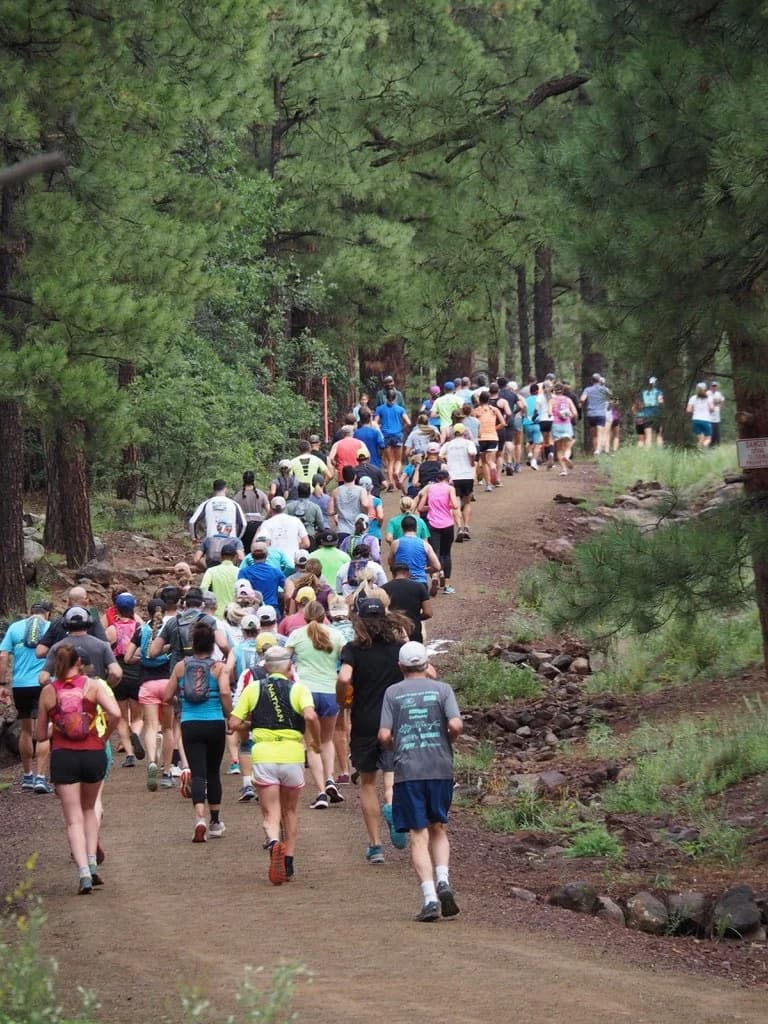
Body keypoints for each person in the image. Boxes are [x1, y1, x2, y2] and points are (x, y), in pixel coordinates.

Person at [378, 640, 463, 922]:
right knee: (438, 826)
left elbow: (383, 735)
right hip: (440, 767)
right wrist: (446, 740)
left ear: (400, 666)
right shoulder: (443, 690)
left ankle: (429, 898)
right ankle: (443, 879)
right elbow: (456, 725)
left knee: (417, 833)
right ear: (426, 665)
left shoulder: (393, 693)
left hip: (408, 769)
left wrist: (395, 746)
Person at [229, 646, 320, 884]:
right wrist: (315, 741)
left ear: (266, 667)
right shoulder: (299, 689)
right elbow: (310, 716)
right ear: (290, 667)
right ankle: (288, 862)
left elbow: (234, 722)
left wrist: (253, 725)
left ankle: (272, 841)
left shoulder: (253, 689)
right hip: (292, 754)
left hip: (264, 754)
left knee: (270, 811)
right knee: (290, 811)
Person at [36, 643, 121, 893]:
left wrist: (56, 727)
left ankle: (83, 872)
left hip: (63, 756)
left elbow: (40, 735)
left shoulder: (48, 692)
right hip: (93, 752)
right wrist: (103, 737)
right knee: (88, 808)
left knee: (72, 818)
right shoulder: (92, 686)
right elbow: (115, 713)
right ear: (79, 663)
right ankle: (94, 864)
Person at [337, 598, 412, 864]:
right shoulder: (400, 649)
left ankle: (376, 846)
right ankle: (393, 807)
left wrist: (342, 699)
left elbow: (345, 678)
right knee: (394, 775)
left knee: (368, 782)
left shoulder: (353, 649)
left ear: (359, 621)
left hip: (365, 720)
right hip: (396, 719)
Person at [163, 622, 231, 842]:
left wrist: (180, 702)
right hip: (215, 723)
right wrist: (230, 715)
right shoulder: (219, 668)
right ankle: (215, 821)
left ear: (193, 644)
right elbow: (224, 692)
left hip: (190, 724)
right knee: (213, 772)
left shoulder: (181, 666)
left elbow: (166, 696)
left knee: (198, 772)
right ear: (212, 645)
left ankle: (199, 818)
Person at [286, 600, 346, 809]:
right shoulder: (337, 635)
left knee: (312, 744)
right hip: (330, 691)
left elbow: (285, 661)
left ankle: (321, 791)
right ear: (324, 616)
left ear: (305, 617)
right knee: (327, 740)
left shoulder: (296, 635)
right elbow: (345, 660)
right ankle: (330, 778)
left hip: (306, 693)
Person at [0, 599, 53, 792]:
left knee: (26, 730)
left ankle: (27, 775)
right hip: (43, 684)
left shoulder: (15, 627)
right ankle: (40, 777)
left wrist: (2, 684)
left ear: (30, 612)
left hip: (20, 685)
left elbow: (3, 655)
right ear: (47, 613)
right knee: (44, 729)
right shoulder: (51, 627)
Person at [125, 598, 175, 791]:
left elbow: (128, 657)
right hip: (167, 683)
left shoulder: (140, 630)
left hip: (147, 684)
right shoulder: (171, 628)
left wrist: (142, 657)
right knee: (168, 729)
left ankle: (152, 761)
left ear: (148, 611)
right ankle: (167, 771)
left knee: (152, 726)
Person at [415, 470, 460, 594]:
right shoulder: (450, 489)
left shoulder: (430, 488)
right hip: (447, 524)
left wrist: (431, 507)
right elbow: (455, 505)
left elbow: (419, 508)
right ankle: (447, 585)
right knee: (446, 554)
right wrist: (447, 506)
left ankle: (435, 575)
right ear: (447, 478)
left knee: (434, 552)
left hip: (433, 524)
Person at [36, 586, 107, 656]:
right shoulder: (93, 621)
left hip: (62, 666)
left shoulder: (57, 622)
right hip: (87, 666)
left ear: (68, 601)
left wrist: (58, 655)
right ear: (86, 601)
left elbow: (40, 652)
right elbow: (106, 647)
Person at [440, 424, 477, 541]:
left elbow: (440, 455)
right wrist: (471, 462)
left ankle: (459, 527)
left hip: (453, 476)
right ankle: (466, 526)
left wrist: (447, 462)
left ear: (453, 433)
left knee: (455, 503)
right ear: (464, 432)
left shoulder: (448, 444)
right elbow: (472, 453)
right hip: (467, 475)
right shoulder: (468, 443)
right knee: (467, 502)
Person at [389, 515, 441, 591]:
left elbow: (390, 561)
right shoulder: (425, 545)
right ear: (416, 528)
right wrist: (425, 570)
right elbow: (437, 567)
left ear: (402, 528)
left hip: (401, 582)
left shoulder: (396, 543)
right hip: (420, 583)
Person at [382, 563, 432, 643]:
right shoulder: (419, 587)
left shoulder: (384, 589)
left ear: (393, 574)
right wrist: (416, 617)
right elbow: (428, 613)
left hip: (393, 632)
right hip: (414, 630)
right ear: (408, 573)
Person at [375, 388, 411, 492]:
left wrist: (380, 429)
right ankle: (397, 472)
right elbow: (408, 422)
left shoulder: (380, 409)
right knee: (398, 460)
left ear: (386, 397)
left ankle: (391, 482)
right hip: (397, 435)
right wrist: (401, 428)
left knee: (390, 461)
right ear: (395, 398)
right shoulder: (400, 409)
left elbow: (375, 422)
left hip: (386, 435)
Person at [236, 542, 286, 613]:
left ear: (251, 556)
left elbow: (241, 594)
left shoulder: (244, 572)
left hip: (252, 611)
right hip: (272, 610)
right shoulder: (276, 572)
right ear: (267, 555)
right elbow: (287, 589)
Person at [328, 465, 370, 544]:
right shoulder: (361, 490)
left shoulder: (335, 491)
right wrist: (365, 513)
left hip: (342, 529)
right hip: (358, 528)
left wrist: (339, 509)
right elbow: (365, 504)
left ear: (343, 477)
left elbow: (330, 511)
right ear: (355, 477)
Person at [472, 391, 506, 490]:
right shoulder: (494, 410)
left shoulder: (476, 411)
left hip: (481, 438)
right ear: (489, 399)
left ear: (480, 400)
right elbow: (503, 423)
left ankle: (488, 485)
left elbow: (474, 423)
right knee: (490, 460)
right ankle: (493, 466)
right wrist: (494, 428)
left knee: (483, 461)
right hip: (493, 437)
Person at [232, 471, 270, 552]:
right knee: (258, 551)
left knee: (245, 551)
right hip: (258, 526)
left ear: (243, 480)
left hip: (244, 527)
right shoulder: (261, 494)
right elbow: (269, 511)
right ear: (253, 480)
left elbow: (234, 514)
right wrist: (265, 520)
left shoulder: (237, 496)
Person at [201, 540, 240, 610]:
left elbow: (203, 588)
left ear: (221, 556)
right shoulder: (239, 571)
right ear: (235, 557)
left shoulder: (211, 571)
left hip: (215, 612)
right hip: (233, 612)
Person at [550, 383, 579, 476]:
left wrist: (553, 414)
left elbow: (549, 412)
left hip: (556, 425)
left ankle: (563, 470)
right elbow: (574, 412)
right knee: (567, 446)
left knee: (558, 449)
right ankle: (566, 457)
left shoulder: (552, 400)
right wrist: (569, 415)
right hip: (566, 425)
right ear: (563, 390)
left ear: (554, 391)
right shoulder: (568, 400)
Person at [580, 373, 612, 456]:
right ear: (599, 381)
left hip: (591, 414)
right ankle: (598, 450)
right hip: (601, 413)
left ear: (592, 381)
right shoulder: (605, 389)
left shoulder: (588, 389)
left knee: (594, 434)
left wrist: (581, 404)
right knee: (600, 433)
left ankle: (596, 451)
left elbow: (582, 399)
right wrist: (609, 406)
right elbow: (614, 400)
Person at [635, 376, 664, 448]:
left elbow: (638, 404)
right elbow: (660, 401)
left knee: (648, 435)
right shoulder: (658, 392)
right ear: (655, 383)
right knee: (659, 434)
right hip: (656, 414)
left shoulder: (644, 393)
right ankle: (659, 451)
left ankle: (647, 453)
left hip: (646, 415)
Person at [687, 382, 715, 447]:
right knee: (708, 439)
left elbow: (688, 410)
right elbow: (712, 408)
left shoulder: (693, 398)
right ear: (705, 389)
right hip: (706, 420)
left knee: (700, 440)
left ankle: (699, 452)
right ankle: (704, 447)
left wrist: (695, 410)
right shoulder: (709, 398)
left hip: (695, 420)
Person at [709, 381, 725, 447]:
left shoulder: (719, 394)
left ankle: (717, 446)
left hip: (717, 417)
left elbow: (722, 400)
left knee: (717, 433)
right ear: (710, 387)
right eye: (713, 386)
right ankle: (710, 446)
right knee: (711, 433)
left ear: (717, 387)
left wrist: (720, 405)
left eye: (715, 386)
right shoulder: (708, 393)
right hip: (709, 417)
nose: (714, 387)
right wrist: (715, 402)